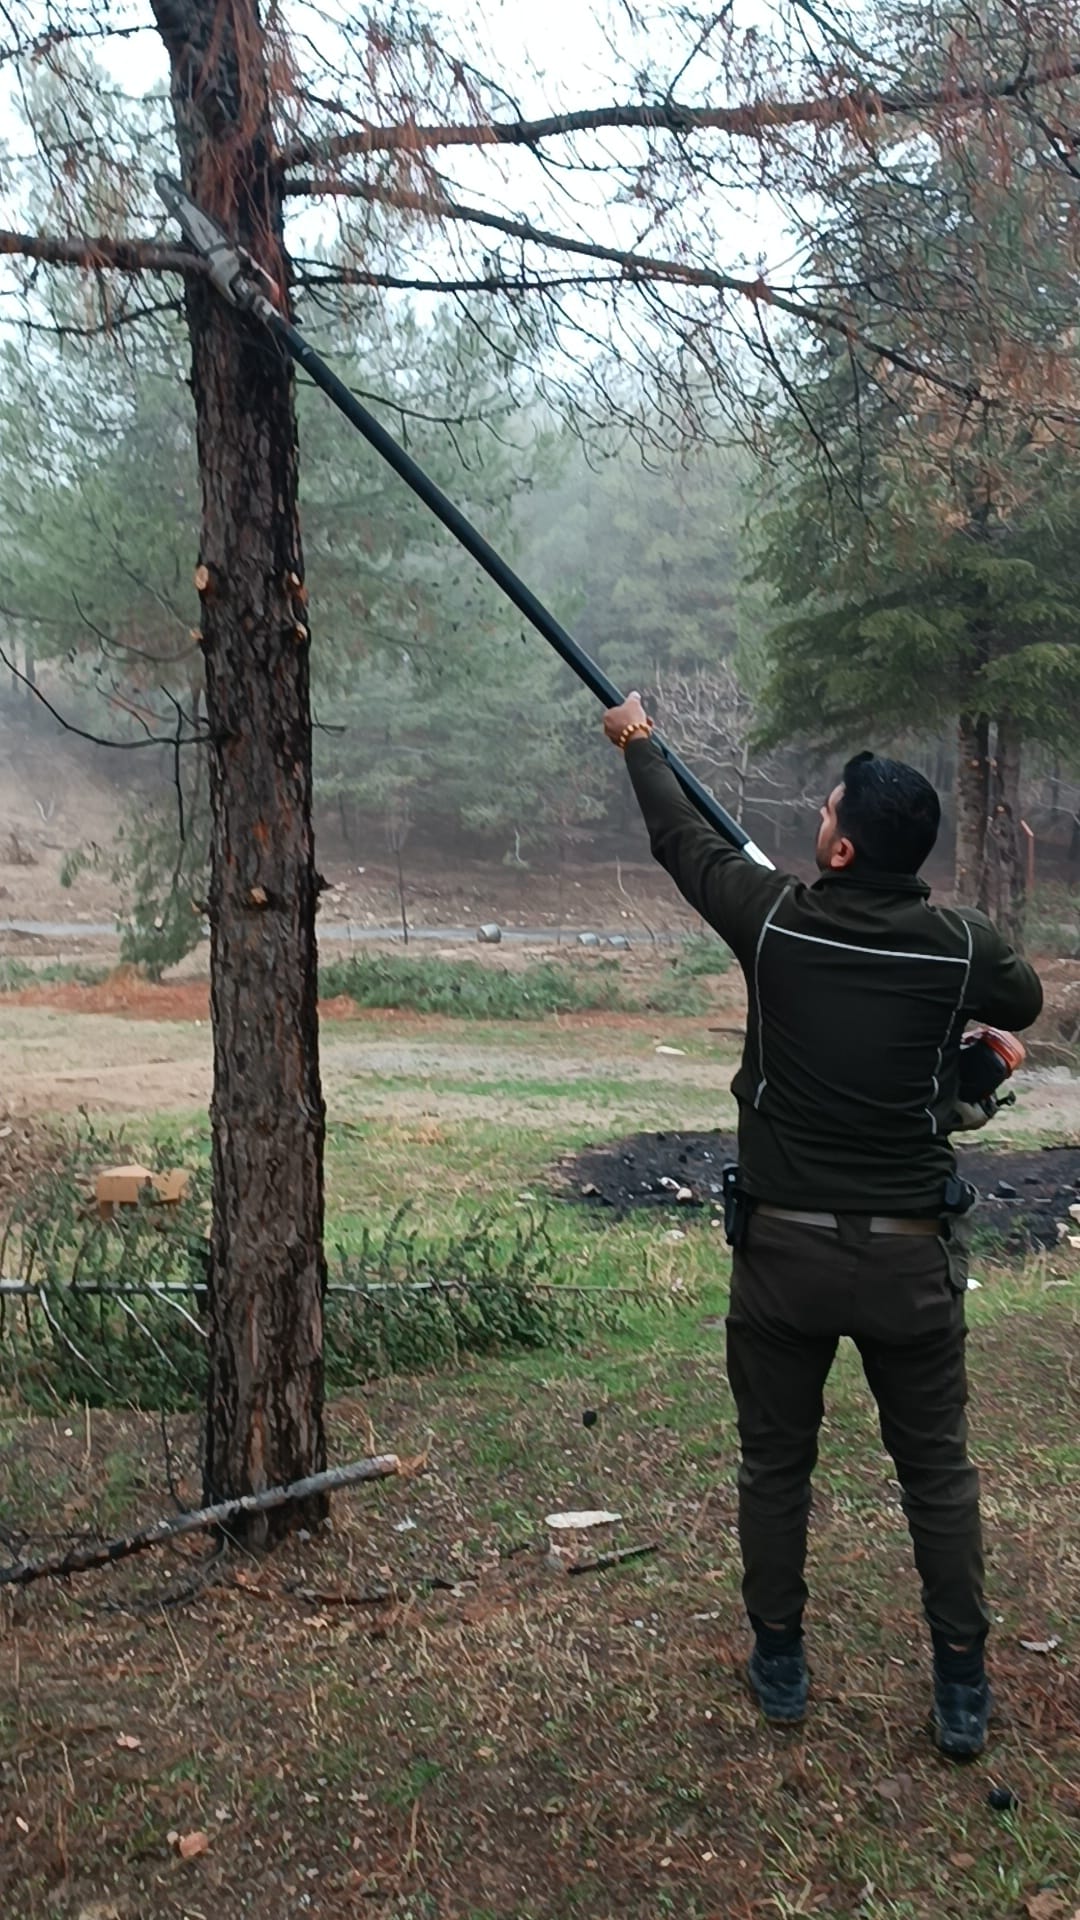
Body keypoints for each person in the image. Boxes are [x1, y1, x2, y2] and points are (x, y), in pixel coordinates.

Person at [603, 693, 1043, 1758]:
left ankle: (783, 1661)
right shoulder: (957, 947)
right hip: (909, 1263)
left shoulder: (775, 921)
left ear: (841, 845)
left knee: (775, 1466)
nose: (817, 818)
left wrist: (641, 742)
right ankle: (961, 1686)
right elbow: (1020, 1002)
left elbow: (679, 836)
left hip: (783, 1259)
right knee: (935, 1472)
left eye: (827, 811)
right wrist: (957, 1075)